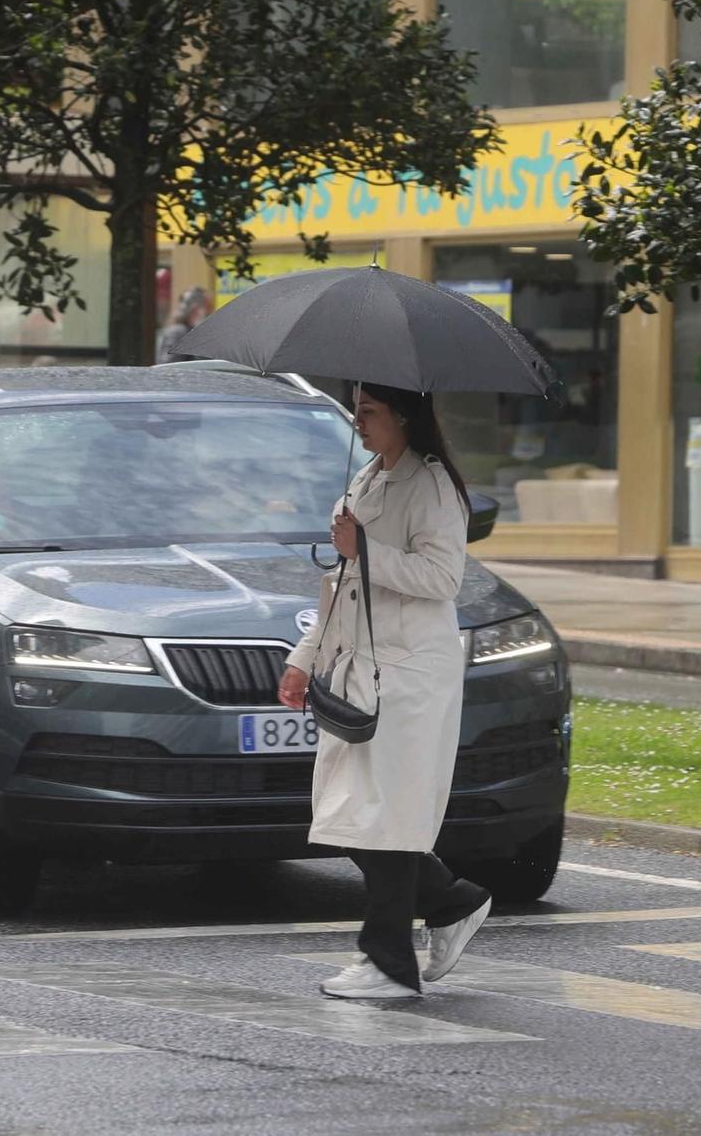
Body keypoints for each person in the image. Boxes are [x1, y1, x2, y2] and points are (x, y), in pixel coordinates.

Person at [278, 381, 492, 1000]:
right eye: (356, 411)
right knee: (349, 815)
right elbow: (340, 586)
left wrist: (366, 548)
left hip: (408, 674)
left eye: (368, 412)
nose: (358, 422)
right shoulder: (370, 477)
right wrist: (303, 659)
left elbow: (443, 576)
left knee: (383, 818)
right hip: (357, 667)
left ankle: (388, 963)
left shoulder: (432, 486)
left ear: (402, 415)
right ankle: (451, 902)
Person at [154, 287, 211, 364]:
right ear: (196, 310)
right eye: (208, 310)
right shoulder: (179, 333)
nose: (210, 315)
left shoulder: (193, 333)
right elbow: (168, 368)